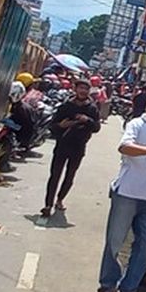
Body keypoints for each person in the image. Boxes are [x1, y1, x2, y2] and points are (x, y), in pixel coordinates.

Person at [98, 90, 146, 292]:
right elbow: (124, 147)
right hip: (127, 193)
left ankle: (129, 286)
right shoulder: (136, 125)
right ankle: (108, 284)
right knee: (115, 241)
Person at [42, 78, 101, 217]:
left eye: (86, 89)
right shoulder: (65, 106)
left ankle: (60, 199)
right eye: (80, 88)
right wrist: (61, 126)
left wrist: (88, 120)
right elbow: (52, 125)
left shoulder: (92, 108)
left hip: (78, 147)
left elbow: (97, 127)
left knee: (70, 176)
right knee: (54, 176)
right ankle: (48, 204)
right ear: (75, 89)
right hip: (62, 145)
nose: (83, 91)